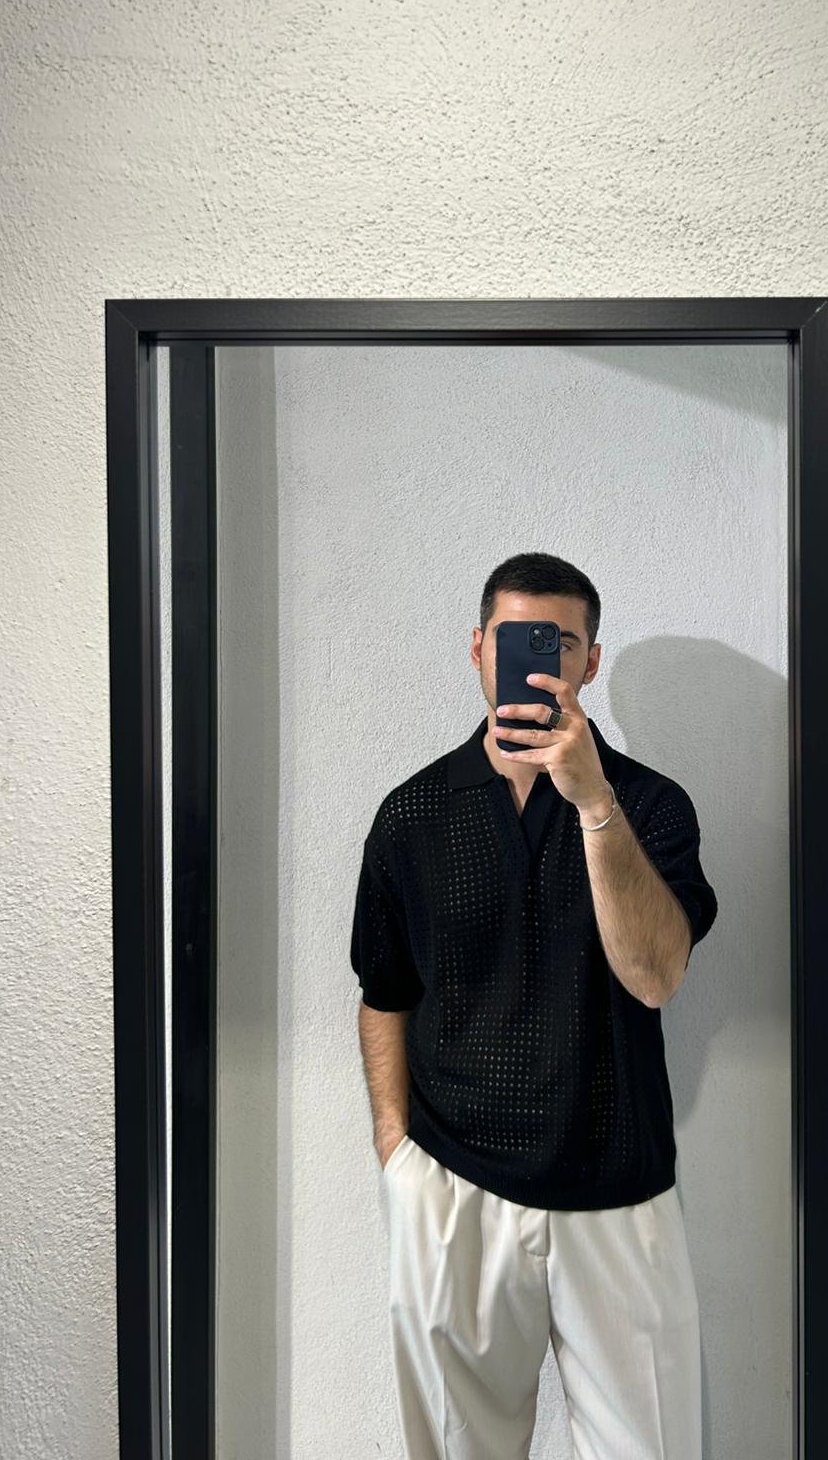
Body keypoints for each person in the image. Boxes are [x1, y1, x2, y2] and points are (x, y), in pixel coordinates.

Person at [350, 551, 718, 1459]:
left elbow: (655, 976)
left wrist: (592, 801)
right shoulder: (412, 815)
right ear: (478, 649)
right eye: (517, 642)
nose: (537, 663)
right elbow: (385, 993)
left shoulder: (651, 806)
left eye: (559, 644)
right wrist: (396, 1151)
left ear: (589, 661)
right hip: (453, 1191)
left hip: (620, 1191)